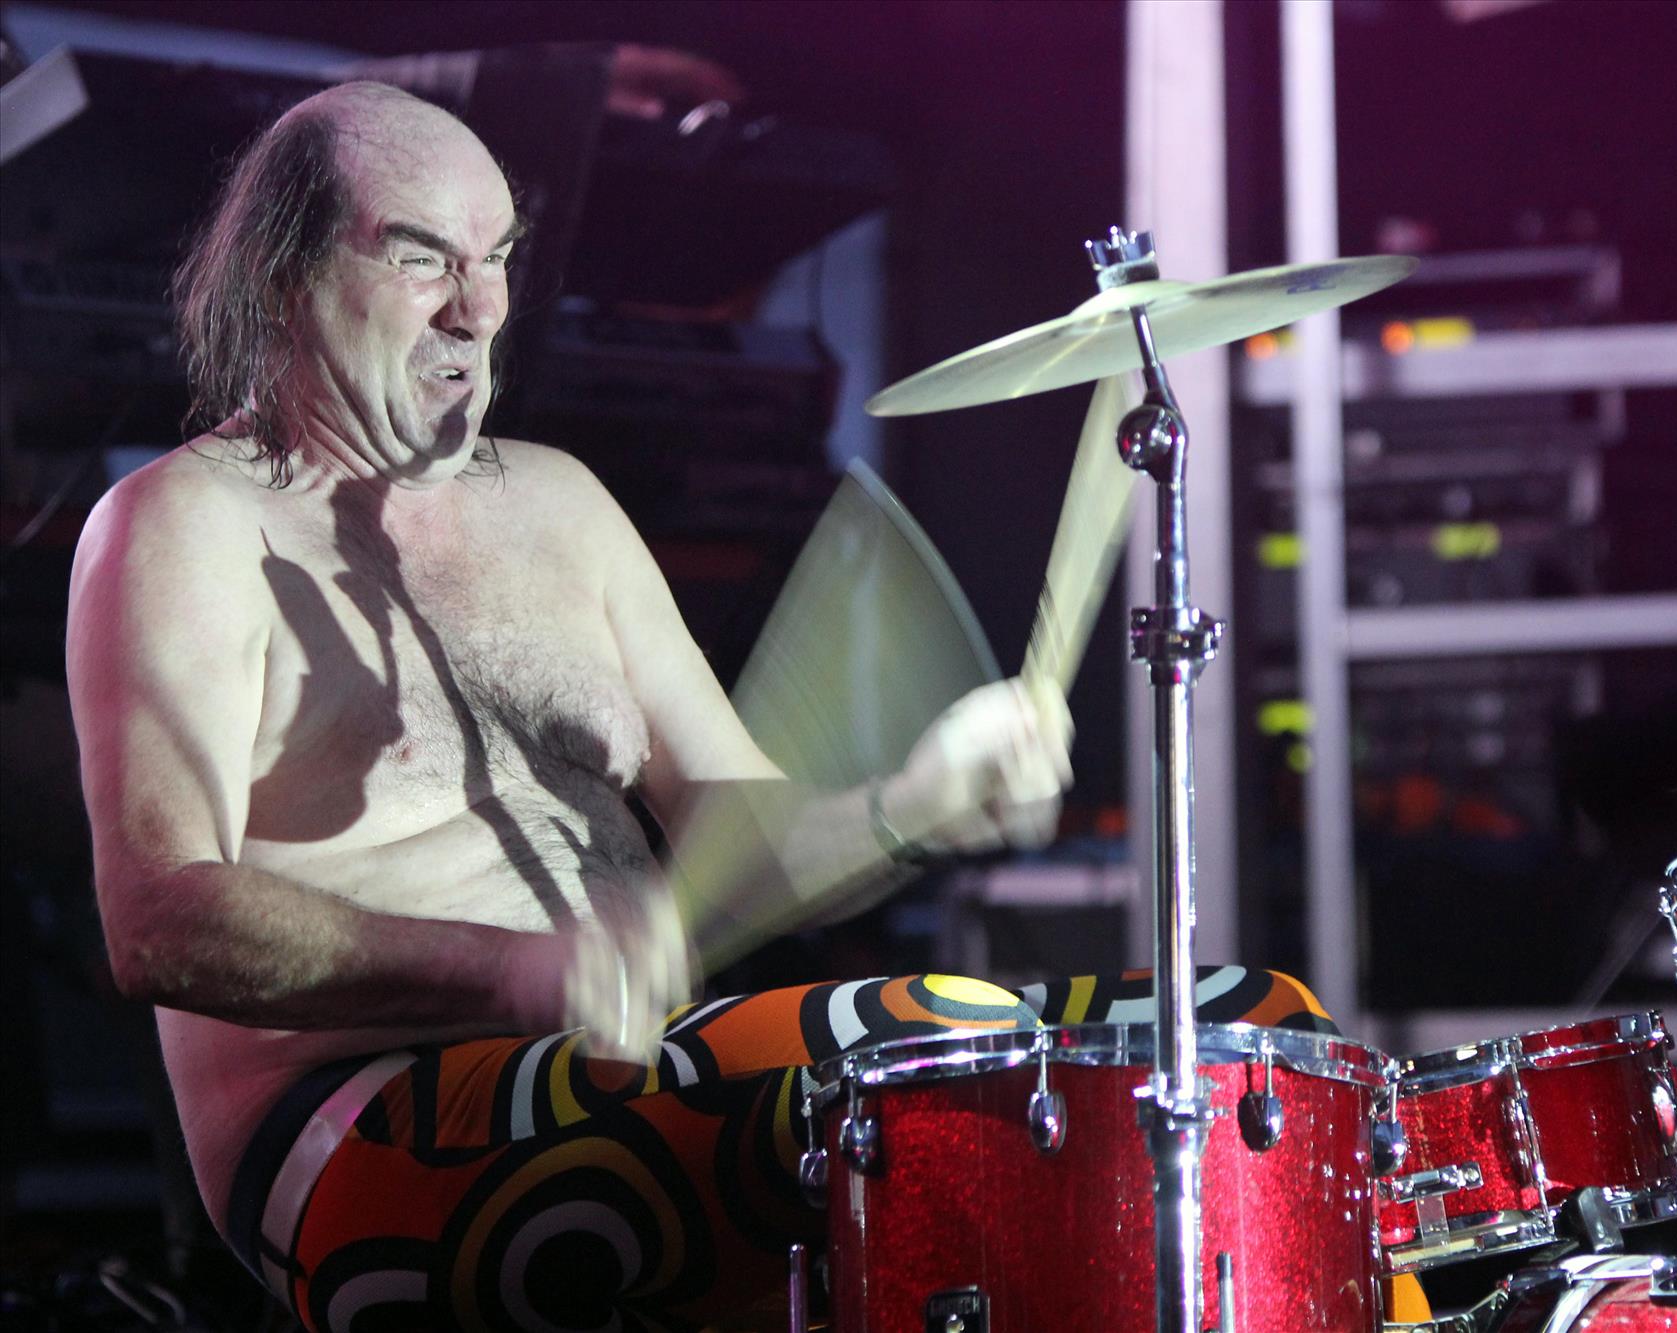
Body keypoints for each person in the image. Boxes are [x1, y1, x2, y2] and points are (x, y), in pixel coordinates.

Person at [66, 82, 1345, 1329]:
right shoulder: (186, 524)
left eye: (495, 257)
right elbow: (157, 919)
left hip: (625, 1074)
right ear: (284, 277)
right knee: (941, 1053)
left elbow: (746, 850)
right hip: (364, 1134)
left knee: (1249, 1034)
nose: (478, 307)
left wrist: (914, 801)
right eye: (419, 259)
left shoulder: (559, 504)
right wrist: (517, 972)